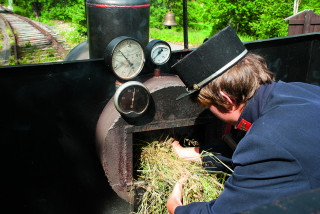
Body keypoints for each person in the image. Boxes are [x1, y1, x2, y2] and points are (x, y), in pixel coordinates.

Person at [167, 26, 320, 214]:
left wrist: (175, 207)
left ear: (225, 99)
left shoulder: (266, 141)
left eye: (209, 106)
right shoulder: (300, 90)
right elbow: (251, 152)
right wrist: (191, 153)